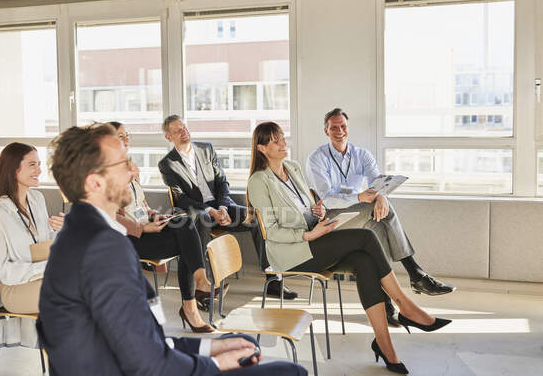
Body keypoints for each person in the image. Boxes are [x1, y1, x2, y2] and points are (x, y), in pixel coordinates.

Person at [38, 122, 307, 376]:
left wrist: (210, 347)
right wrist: (213, 364)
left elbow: (143, 340)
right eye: (123, 163)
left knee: (243, 343)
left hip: (140, 361)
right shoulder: (103, 250)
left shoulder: (85, 235)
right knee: (291, 372)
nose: (133, 170)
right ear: (94, 182)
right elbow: (149, 365)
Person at [247, 122, 452, 374]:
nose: (283, 143)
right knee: (365, 238)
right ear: (262, 148)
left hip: (315, 237)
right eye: (276, 140)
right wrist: (308, 234)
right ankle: (405, 305)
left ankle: (385, 344)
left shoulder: (293, 167)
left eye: (282, 138)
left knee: (363, 262)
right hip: (292, 254)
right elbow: (272, 230)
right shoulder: (259, 181)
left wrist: (317, 212)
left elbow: (307, 208)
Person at [305, 108, 455, 325]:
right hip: (331, 219)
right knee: (379, 215)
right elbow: (327, 198)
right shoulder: (317, 158)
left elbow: (378, 182)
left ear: (348, 128)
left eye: (343, 126)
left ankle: (386, 303)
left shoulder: (362, 154)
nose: (339, 131)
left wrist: (382, 195)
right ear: (326, 131)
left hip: (360, 214)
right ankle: (416, 274)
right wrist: (360, 196)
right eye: (334, 127)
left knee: (376, 228)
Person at [158, 115, 297, 300]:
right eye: (177, 130)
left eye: (184, 127)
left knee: (257, 218)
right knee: (202, 219)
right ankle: (203, 287)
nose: (183, 132)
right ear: (169, 137)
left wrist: (223, 207)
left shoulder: (206, 149)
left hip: (221, 205)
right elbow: (181, 199)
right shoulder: (167, 164)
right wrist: (211, 211)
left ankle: (273, 281)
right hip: (199, 212)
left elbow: (222, 181)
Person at [109, 121, 215, 332]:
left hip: (145, 226)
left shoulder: (129, 167)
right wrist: (143, 229)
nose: (126, 139)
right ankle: (194, 300)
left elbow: (141, 204)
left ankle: (198, 286)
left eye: (126, 135)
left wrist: (154, 216)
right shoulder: (102, 174)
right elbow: (109, 216)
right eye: (120, 136)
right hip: (128, 238)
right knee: (188, 243)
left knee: (184, 220)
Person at [0, 142, 64, 314]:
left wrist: (63, 230)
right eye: (32, 165)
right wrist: (45, 267)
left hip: (43, 277)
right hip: (15, 289)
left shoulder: (37, 199)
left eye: (39, 165)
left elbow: (43, 241)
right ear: (13, 169)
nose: (39, 171)